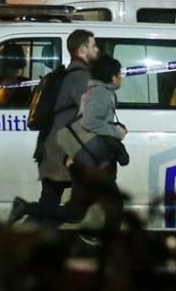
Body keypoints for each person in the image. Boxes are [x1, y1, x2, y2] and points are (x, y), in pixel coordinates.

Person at [9, 28, 97, 226]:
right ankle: (27, 215)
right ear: (82, 49)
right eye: (93, 46)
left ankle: (27, 237)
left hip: (52, 148)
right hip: (64, 152)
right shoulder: (81, 78)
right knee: (74, 210)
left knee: (49, 203)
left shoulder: (66, 75)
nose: (97, 50)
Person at [58, 53, 128, 228]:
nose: (121, 78)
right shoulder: (101, 93)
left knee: (76, 212)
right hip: (94, 160)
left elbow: (82, 120)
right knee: (114, 206)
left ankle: (29, 209)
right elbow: (89, 122)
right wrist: (116, 132)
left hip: (91, 158)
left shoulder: (95, 91)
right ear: (112, 76)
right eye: (120, 74)